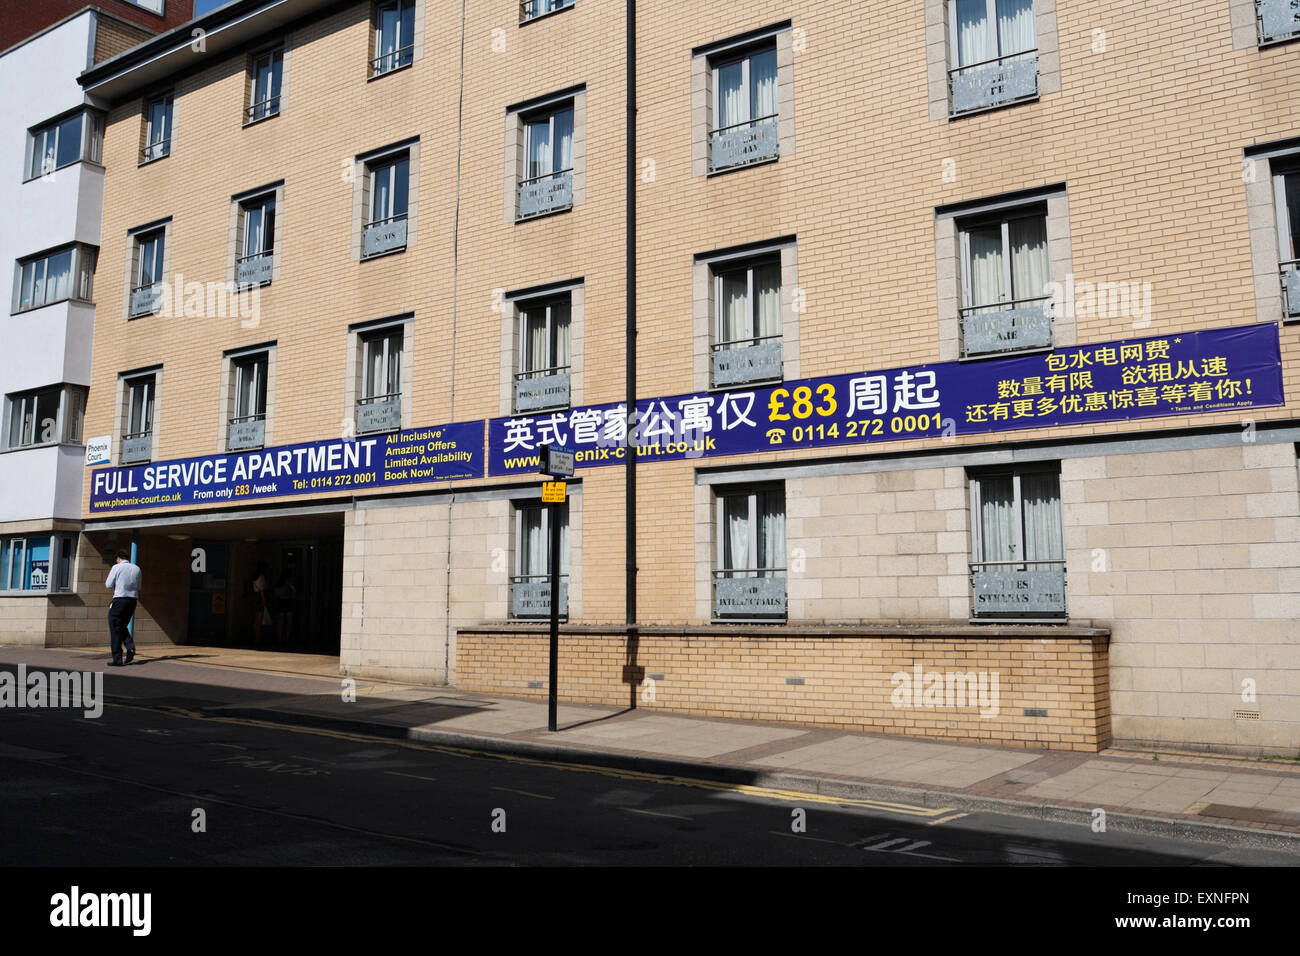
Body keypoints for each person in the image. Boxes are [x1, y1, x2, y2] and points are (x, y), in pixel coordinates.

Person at [105, 550, 141, 666]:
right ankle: (130, 648)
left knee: (115, 628)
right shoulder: (137, 568)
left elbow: (108, 584)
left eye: (116, 559)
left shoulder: (117, 567)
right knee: (121, 626)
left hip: (119, 600)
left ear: (118, 558)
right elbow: (139, 586)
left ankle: (117, 658)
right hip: (132, 601)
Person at [274, 569, 297, 644]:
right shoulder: (289, 583)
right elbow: (294, 592)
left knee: (281, 622)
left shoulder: (278, 583)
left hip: (281, 601)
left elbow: (275, 593)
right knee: (289, 622)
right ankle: (287, 639)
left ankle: (279, 639)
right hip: (288, 601)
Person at [251, 562, 269, 646]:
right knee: (259, 620)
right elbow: (262, 590)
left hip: (255, 597)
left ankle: (255, 638)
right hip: (259, 598)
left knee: (256, 620)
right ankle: (257, 640)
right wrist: (264, 602)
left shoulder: (255, 577)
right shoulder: (261, 577)